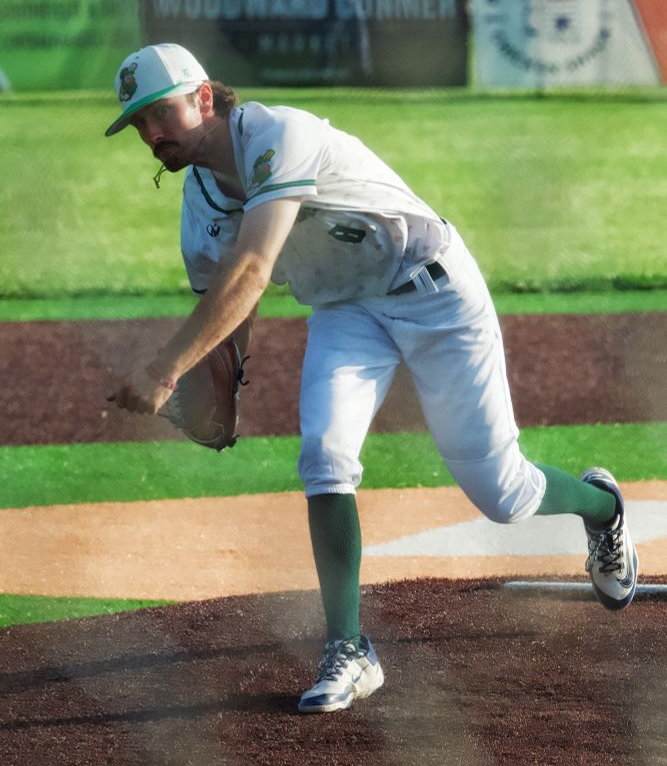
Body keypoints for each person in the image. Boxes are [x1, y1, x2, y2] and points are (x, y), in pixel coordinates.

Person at [106, 42, 639, 714]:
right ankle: (349, 648)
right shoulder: (199, 203)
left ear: (204, 97)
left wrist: (164, 369)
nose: (151, 133)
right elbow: (227, 308)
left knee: (503, 493)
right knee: (324, 455)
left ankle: (602, 508)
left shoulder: (277, 135)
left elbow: (252, 272)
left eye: (161, 112)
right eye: (138, 123)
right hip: (345, 310)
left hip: (434, 294)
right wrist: (221, 388)